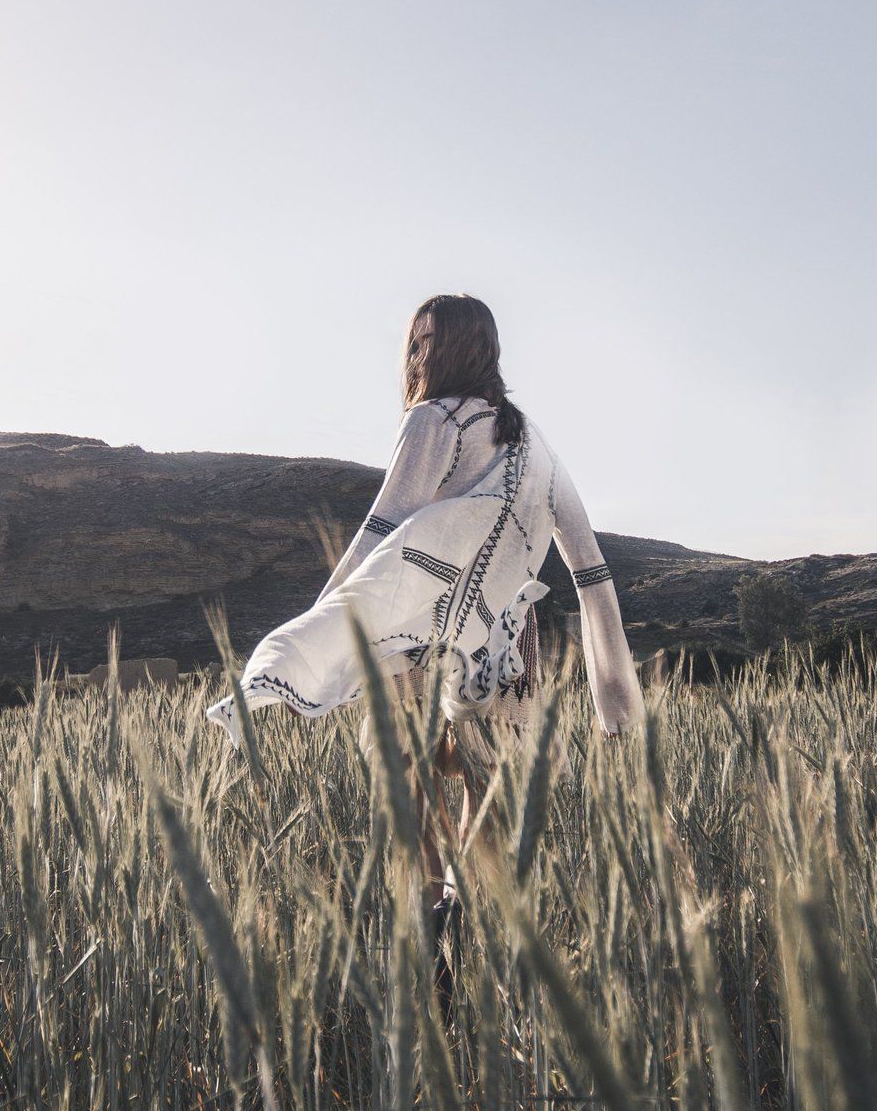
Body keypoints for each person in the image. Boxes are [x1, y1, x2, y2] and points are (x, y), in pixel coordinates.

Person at [206, 293, 645, 910]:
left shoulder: (431, 419)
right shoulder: (534, 443)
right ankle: (478, 931)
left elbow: (384, 530)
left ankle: (432, 926)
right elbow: (590, 567)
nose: (415, 354)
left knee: (407, 787)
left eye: (421, 342)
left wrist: (322, 624)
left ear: (438, 352)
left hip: (418, 634)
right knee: (487, 787)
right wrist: (615, 693)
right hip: (503, 641)